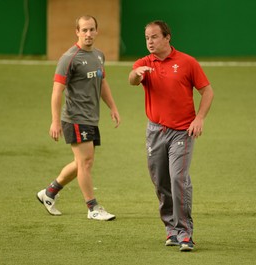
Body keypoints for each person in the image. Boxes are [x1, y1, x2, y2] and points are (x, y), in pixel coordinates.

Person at [128, 20, 214, 251]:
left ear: (167, 37)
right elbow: (132, 80)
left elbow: (207, 90)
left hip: (182, 132)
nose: (150, 42)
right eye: (147, 38)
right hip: (155, 131)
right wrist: (137, 73)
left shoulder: (187, 62)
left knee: (178, 179)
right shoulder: (144, 63)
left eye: (154, 37)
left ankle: (185, 233)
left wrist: (200, 118)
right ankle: (171, 228)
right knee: (161, 181)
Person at [37, 15, 120, 221]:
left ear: (97, 31)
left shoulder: (99, 55)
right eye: (84, 30)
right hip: (75, 117)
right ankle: (92, 208)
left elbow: (102, 82)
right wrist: (55, 121)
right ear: (77, 32)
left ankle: (49, 193)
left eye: (92, 29)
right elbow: (57, 91)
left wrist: (113, 107)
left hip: (91, 117)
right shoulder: (69, 58)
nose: (88, 34)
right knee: (85, 162)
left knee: (83, 162)